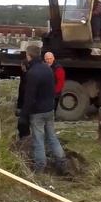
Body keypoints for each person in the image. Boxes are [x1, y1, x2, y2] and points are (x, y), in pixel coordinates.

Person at [20, 45, 67, 174]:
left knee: (38, 140)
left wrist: (24, 115)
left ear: (29, 55)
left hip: (37, 112)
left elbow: (29, 97)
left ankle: (40, 167)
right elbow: (52, 90)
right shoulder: (47, 69)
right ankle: (62, 162)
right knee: (51, 137)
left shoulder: (32, 73)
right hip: (49, 109)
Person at [15, 61, 31, 139]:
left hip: (26, 102)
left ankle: (24, 136)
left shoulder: (28, 76)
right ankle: (23, 136)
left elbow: (23, 91)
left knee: (23, 122)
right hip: (23, 101)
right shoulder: (24, 74)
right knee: (23, 121)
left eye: (21, 65)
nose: (21, 67)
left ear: (24, 66)